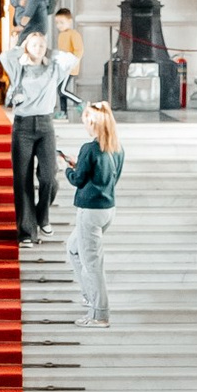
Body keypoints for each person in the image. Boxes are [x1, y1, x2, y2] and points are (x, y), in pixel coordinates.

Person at [62, 98, 124, 325]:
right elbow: (112, 177)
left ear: (93, 123)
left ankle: (100, 314)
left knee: (93, 265)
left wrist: (69, 170)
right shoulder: (117, 147)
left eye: (86, 121)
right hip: (108, 209)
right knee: (73, 249)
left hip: (90, 211)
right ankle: (90, 297)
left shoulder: (89, 149)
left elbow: (78, 180)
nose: (84, 125)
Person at [8, 24, 61, 245]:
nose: (38, 48)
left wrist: (47, 52)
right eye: (34, 45)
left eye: (42, 45)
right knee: (23, 180)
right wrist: (23, 49)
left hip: (46, 124)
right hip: (22, 125)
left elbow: (70, 57)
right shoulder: (16, 67)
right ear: (26, 47)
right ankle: (26, 232)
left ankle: (42, 215)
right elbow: (6, 54)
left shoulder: (54, 67)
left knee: (49, 177)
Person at [51, 6, 84, 116]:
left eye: (62, 22)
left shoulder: (74, 34)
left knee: (62, 90)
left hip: (70, 67)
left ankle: (80, 102)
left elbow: (79, 50)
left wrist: (72, 62)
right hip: (63, 67)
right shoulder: (61, 35)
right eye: (57, 23)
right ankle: (63, 112)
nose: (59, 25)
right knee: (60, 89)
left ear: (69, 22)